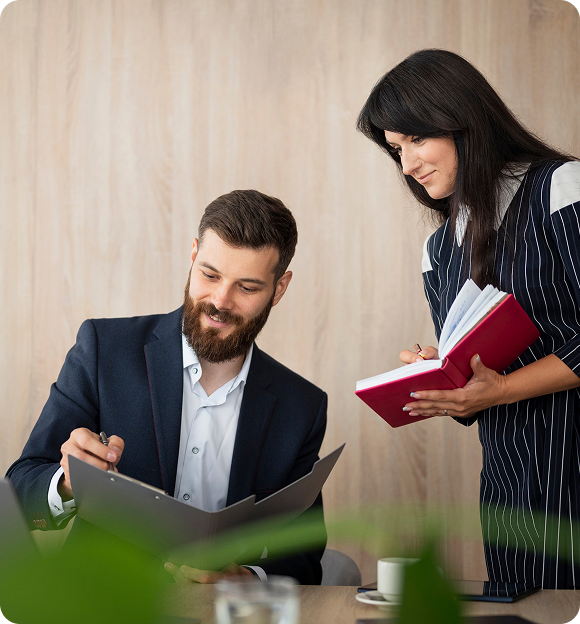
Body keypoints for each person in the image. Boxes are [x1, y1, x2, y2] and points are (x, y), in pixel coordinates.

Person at [6, 189, 327, 585]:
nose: (220, 301)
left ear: (279, 289)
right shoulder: (103, 350)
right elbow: (20, 491)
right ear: (193, 256)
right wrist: (68, 483)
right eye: (209, 275)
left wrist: (246, 578)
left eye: (247, 287)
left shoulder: (302, 407)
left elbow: (304, 555)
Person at [357, 48, 580, 589]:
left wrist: (499, 389)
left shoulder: (560, 188)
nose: (407, 165)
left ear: (462, 120)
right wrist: (443, 373)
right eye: (396, 149)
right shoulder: (440, 248)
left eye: (415, 140)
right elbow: (475, 390)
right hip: (508, 478)